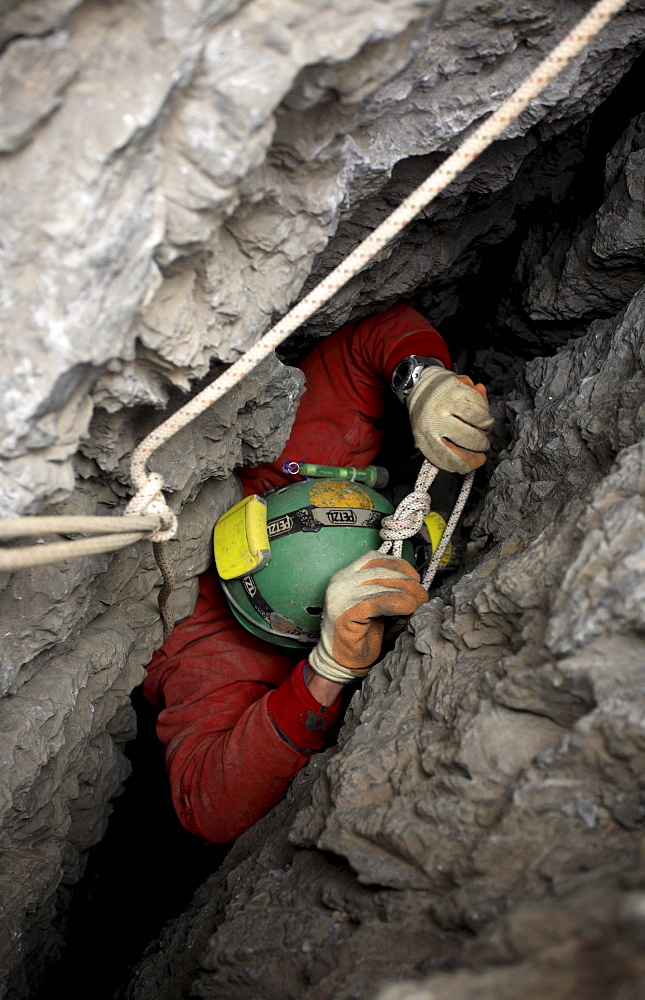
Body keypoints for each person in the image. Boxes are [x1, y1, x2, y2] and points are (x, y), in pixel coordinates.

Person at [142, 303, 493, 843]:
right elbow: (207, 807)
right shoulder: (203, 650)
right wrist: (330, 670)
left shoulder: (298, 459)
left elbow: (371, 336)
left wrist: (426, 382)